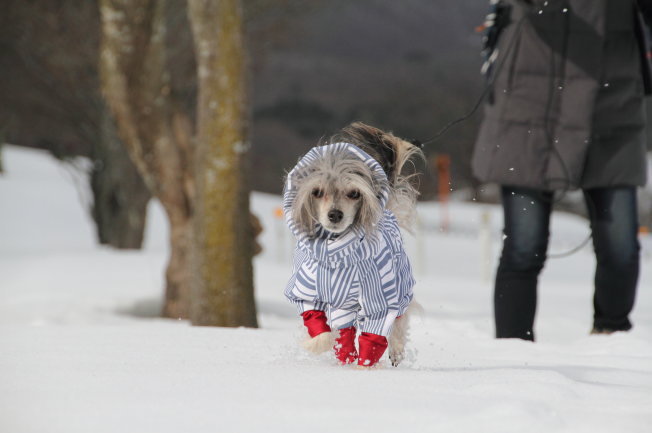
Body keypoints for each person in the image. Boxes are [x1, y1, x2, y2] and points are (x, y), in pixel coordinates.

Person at [472, 0, 651, 341]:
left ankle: (612, 341)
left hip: (612, 107)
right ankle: (513, 354)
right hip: (527, 108)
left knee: (621, 247)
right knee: (524, 246)